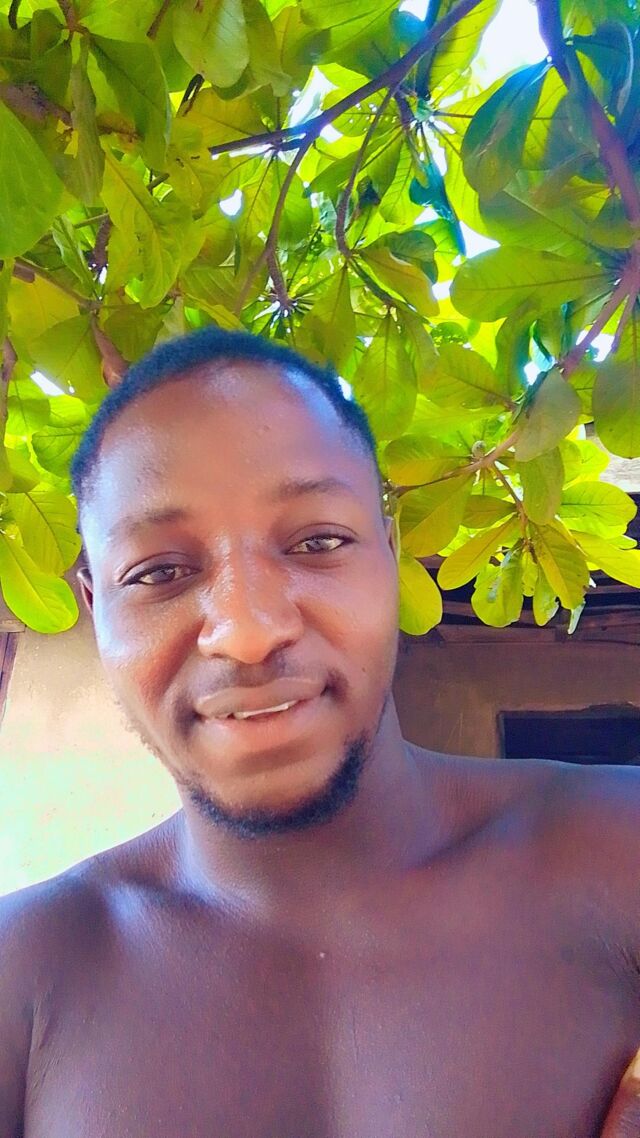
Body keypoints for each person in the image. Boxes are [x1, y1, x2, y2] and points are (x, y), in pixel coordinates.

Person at [1, 326, 639, 1137]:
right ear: (96, 609)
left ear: (390, 555)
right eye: (160, 572)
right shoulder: (26, 976)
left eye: (318, 541)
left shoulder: (620, 853)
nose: (247, 630)